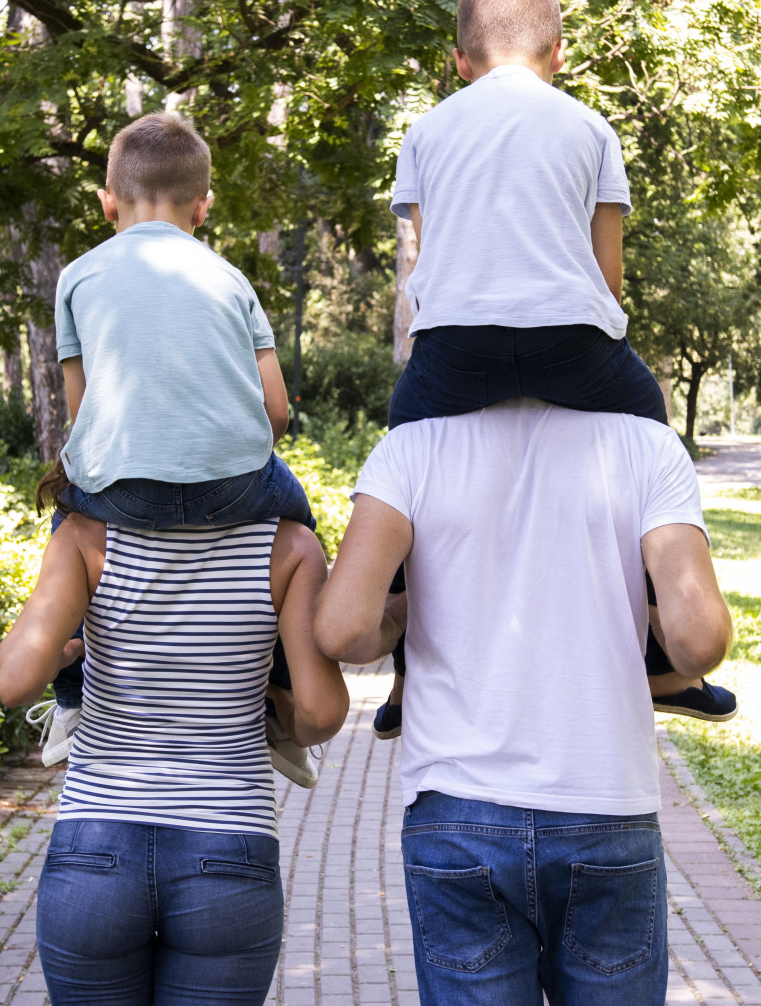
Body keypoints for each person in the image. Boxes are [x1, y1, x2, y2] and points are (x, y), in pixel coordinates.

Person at [373, 0, 736, 737]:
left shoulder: (426, 132)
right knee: (648, 421)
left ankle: (404, 677)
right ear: (559, 52)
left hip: (455, 344)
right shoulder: (590, 128)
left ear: (460, 62)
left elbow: (429, 263)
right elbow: (607, 277)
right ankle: (660, 658)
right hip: (571, 338)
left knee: (406, 444)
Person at [314, 397, 733, 1005]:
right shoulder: (647, 444)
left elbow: (343, 632)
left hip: (457, 808)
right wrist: (651, 621)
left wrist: (400, 616)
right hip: (605, 806)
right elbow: (700, 641)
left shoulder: (410, 447)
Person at [30, 110, 321, 785]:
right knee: (298, 523)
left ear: (108, 204)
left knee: (61, 521)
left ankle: (71, 703)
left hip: (120, 490)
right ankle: (279, 706)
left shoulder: (77, 277)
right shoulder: (231, 280)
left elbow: (83, 415)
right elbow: (275, 412)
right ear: (204, 206)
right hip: (237, 488)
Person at [0, 512, 349, 1005]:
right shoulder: (289, 546)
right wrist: (275, 702)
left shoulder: (82, 534)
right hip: (229, 849)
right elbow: (321, 714)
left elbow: (12, 682)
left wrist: (63, 656)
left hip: (94, 850)